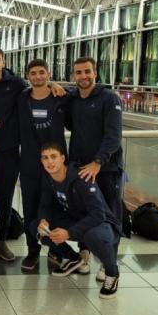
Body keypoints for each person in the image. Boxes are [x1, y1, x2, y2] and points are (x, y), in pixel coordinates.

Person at [32, 142, 121, 298]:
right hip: (76, 220)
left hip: (102, 224)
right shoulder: (48, 178)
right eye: (45, 158)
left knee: (93, 236)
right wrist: (44, 220)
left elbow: (98, 215)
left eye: (53, 157)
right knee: (36, 227)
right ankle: (74, 259)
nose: (49, 162)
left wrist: (68, 233)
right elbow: (45, 205)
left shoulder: (81, 178)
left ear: (62, 158)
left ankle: (112, 273)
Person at [67, 57, 124, 273]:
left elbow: (113, 136)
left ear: (95, 73)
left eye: (87, 72)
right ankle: (85, 254)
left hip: (106, 169)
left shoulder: (110, 98)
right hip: (81, 168)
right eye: (79, 73)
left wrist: (98, 162)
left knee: (110, 215)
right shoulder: (73, 98)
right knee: (85, 212)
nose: (83, 76)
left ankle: (109, 262)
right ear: (73, 76)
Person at [17, 59, 70, 271]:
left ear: (48, 74)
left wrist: (58, 86)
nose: (37, 76)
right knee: (30, 207)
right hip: (30, 163)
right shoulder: (21, 98)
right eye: (33, 73)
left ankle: (57, 250)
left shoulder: (61, 99)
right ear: (27, 76)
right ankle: (32, 251)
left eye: (41, 72)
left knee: (56, 207)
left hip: (55, 165)